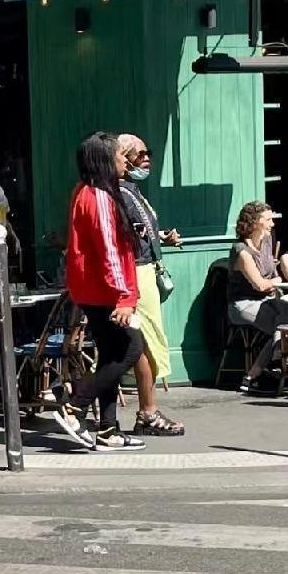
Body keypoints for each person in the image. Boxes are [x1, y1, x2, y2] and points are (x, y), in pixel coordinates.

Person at [52, 132, 146, 452]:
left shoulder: (85, 191)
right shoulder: (99, 197)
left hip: (93, 290)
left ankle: (108, 428)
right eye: (120, 154)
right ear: (105, 160)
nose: (126, 161)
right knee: (130, 349)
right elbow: (109, 252)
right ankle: (75, 407)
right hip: (105, 291)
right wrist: (125, 296)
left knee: (109, 354)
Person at [117, 133, 184, 436]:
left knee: (144, 343)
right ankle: (145, 410)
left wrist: (161, 238)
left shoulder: (133, 191)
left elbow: (140, 232)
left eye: (148, 153)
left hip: (144, 268)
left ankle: (147, 410)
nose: (146, 159)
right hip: (137, 272)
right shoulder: (120, 193)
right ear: (123, 158)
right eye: (139, 154)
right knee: (143, 343)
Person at [228, 201, 288, 393]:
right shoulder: (241, 251)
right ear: (254, 222)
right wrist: (277, 280)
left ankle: (261, 370)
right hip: (243, 303)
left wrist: (274, 281)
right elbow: (259, 284)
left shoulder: (268, 241)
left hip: (267, 299)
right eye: (268, 220)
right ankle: (260, 373)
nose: (272, 224)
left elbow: (271, 273)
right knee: (284, 328)